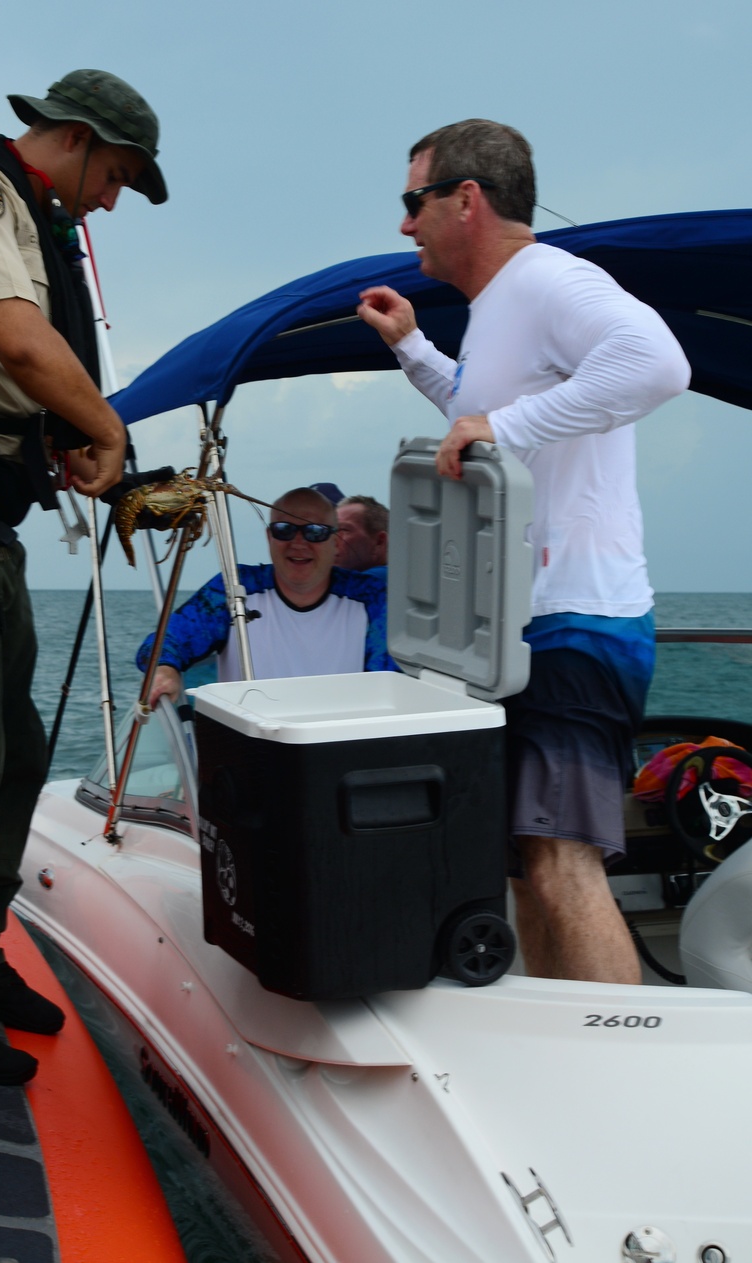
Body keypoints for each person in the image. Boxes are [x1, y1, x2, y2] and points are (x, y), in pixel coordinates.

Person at [358, 119, 690, 985]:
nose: (404, 225)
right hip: (515, 630)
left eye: (412, 201)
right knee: (525, 867)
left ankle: (617, 1069)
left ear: (467, 199)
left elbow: (658, 364)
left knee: (561, 861)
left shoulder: (549, 280)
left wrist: (499, 424)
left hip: (579, 620)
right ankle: (563, 1043)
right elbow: (485, 427)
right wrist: (413, 351)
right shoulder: (492, 313)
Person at [0, 70, 167, 1084]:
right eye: (116, 179)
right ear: (81, 141)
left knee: (13, 753)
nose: (107, 203)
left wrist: (67, 442)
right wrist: (105, 428)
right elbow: (14, 339)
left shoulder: (25, 216)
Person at [139, 487, 397, 705]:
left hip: (338, 751)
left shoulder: (371, 598)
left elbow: (388, 682)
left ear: (336, 542)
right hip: (250, 752)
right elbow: (163, 642)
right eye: (284, 530)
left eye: (314, 532)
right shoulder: (234, 589)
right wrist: (165, 669)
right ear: (269, 537)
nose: (298, 543)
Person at [336, 494, 388, 572]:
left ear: (379, 542)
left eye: (343, 530)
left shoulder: (376, 579)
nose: (330, 539)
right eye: (330, 531)